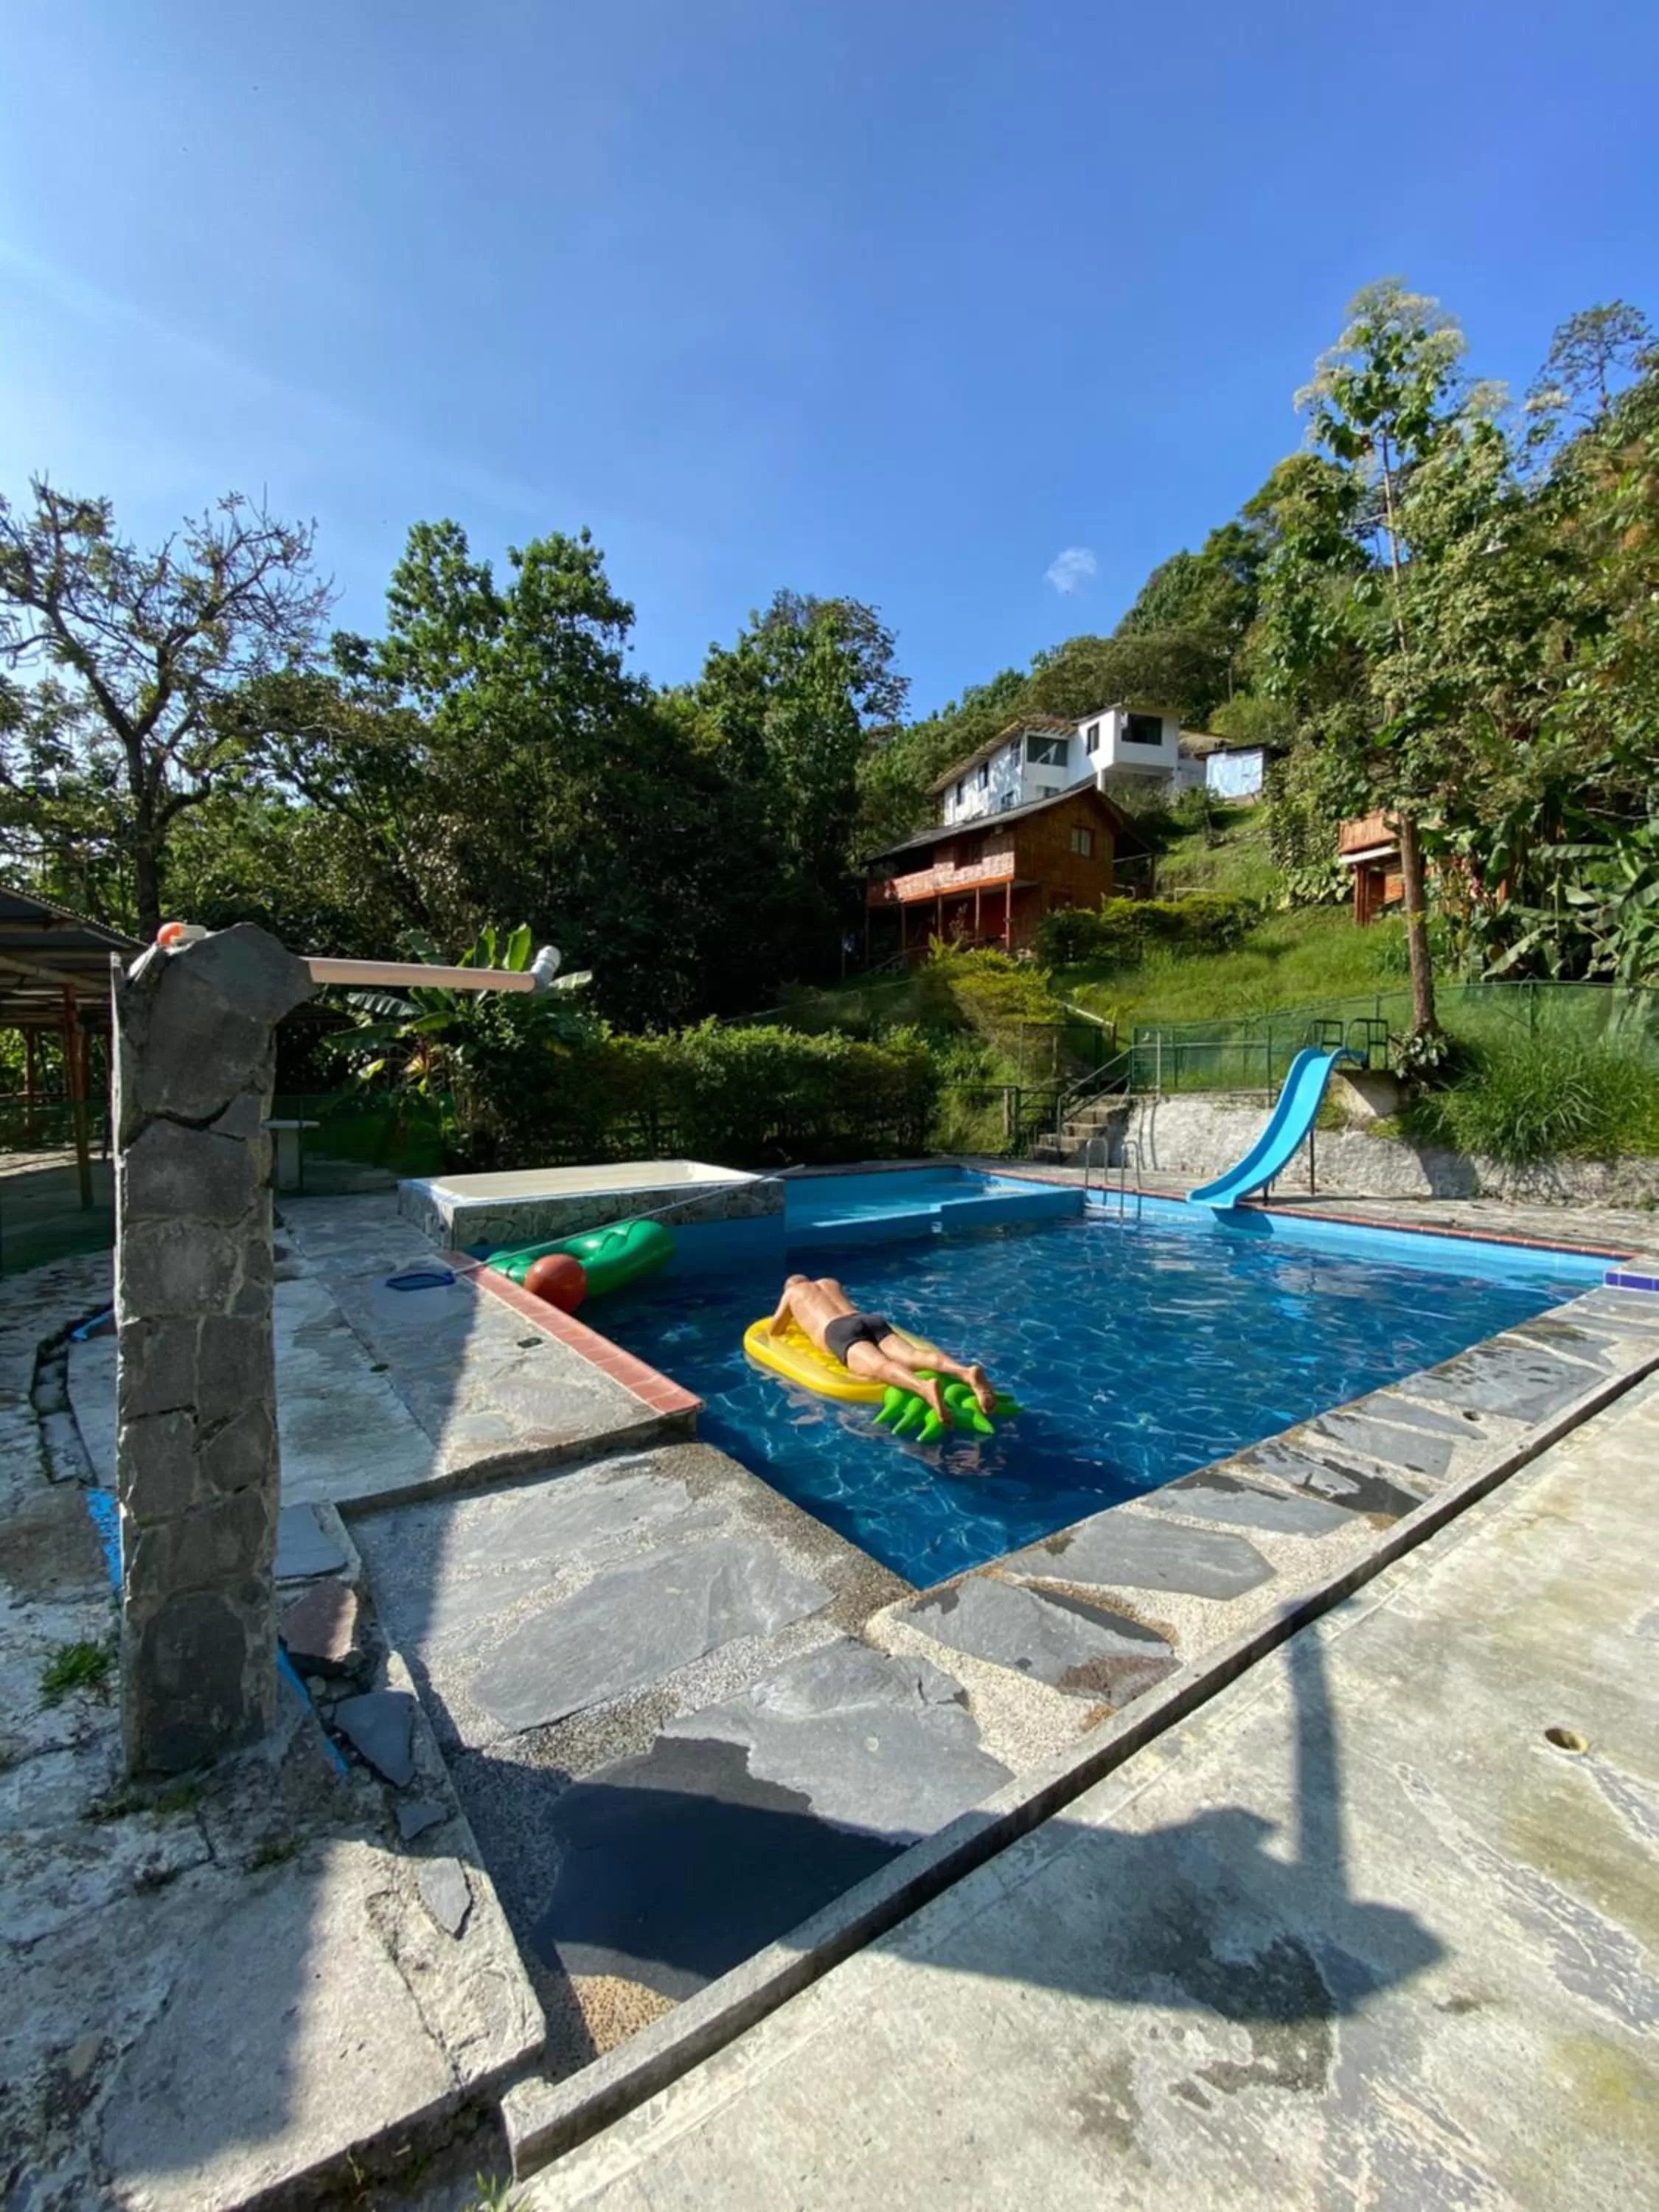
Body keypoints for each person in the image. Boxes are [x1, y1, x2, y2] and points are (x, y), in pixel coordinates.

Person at [765, 1274, 997, 1427]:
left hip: (836, 1331)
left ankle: (923, 1388)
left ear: (791, 1286)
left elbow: (776, 1329)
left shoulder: (793, 1293)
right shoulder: (830, 1283)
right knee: (914, 1356)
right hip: (866, 1319)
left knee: (879, 1366)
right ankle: (965, 1372)